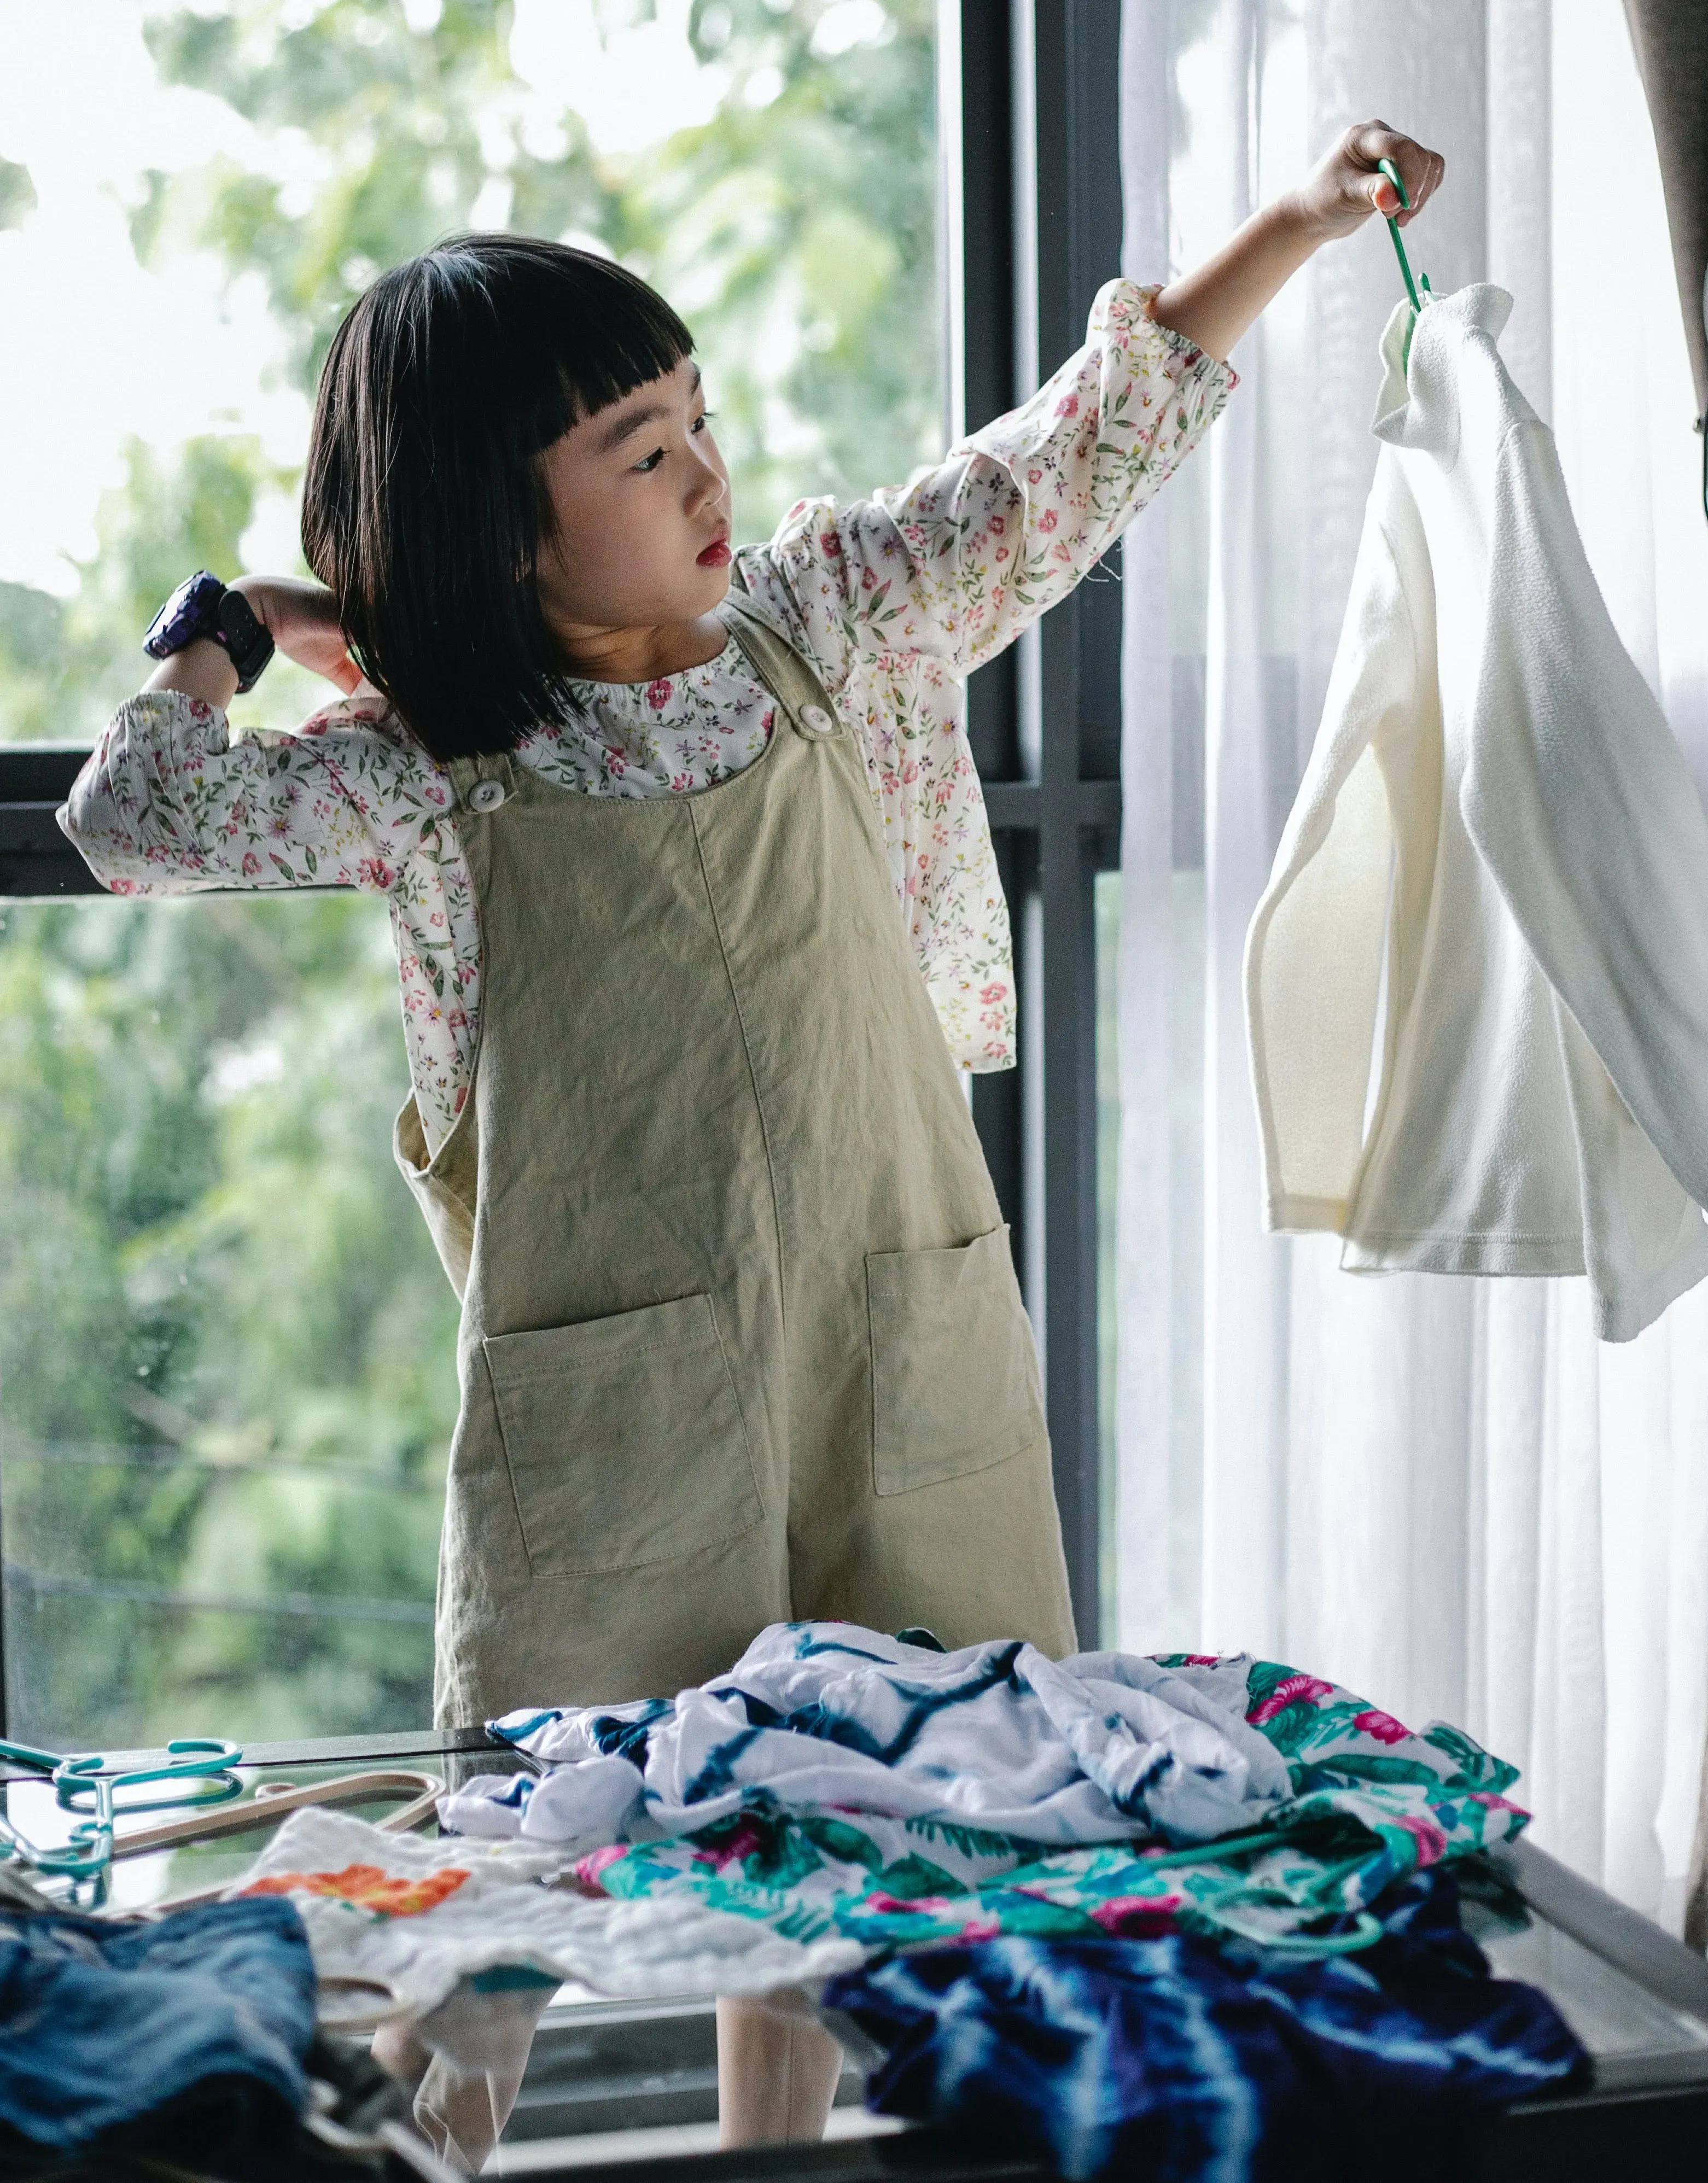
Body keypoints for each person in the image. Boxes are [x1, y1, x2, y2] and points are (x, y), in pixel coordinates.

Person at [61, 114, 1441, 2146]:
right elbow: (133, 820)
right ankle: (426, 2147)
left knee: (846, 1846)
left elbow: (1068, 453)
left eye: (695, 417)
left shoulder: (829, 632)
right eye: (639, 450)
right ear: (490, 525)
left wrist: (1299, 226)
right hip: (615, 1413)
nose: (706, 471)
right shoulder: (430, 775)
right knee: (524, 1865)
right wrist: (241, 620)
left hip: (896, 1339)